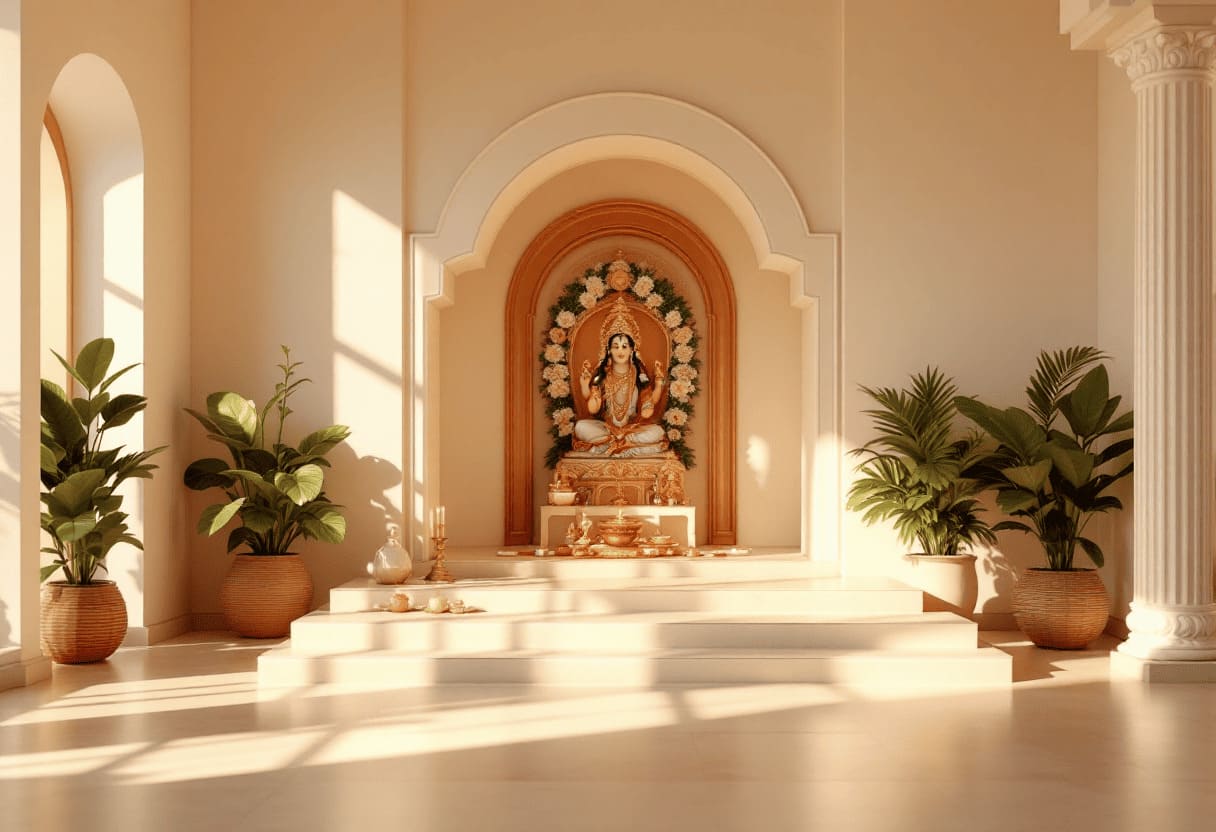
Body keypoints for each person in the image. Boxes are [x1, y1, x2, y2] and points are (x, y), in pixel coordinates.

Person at [573, 307, 668, 456]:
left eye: (624, 346)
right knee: (581, 427)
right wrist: (585, 386)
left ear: (632, 350)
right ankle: (626, 448)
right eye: (615, 346)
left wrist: (658, 385)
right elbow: (592, 409)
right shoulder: (602, 375)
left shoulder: (639, 375)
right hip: (606, 429)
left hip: (631, 430)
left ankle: (610, 447)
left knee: (657, 431)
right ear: (609, 350)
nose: (620, 351)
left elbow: (647, 410)